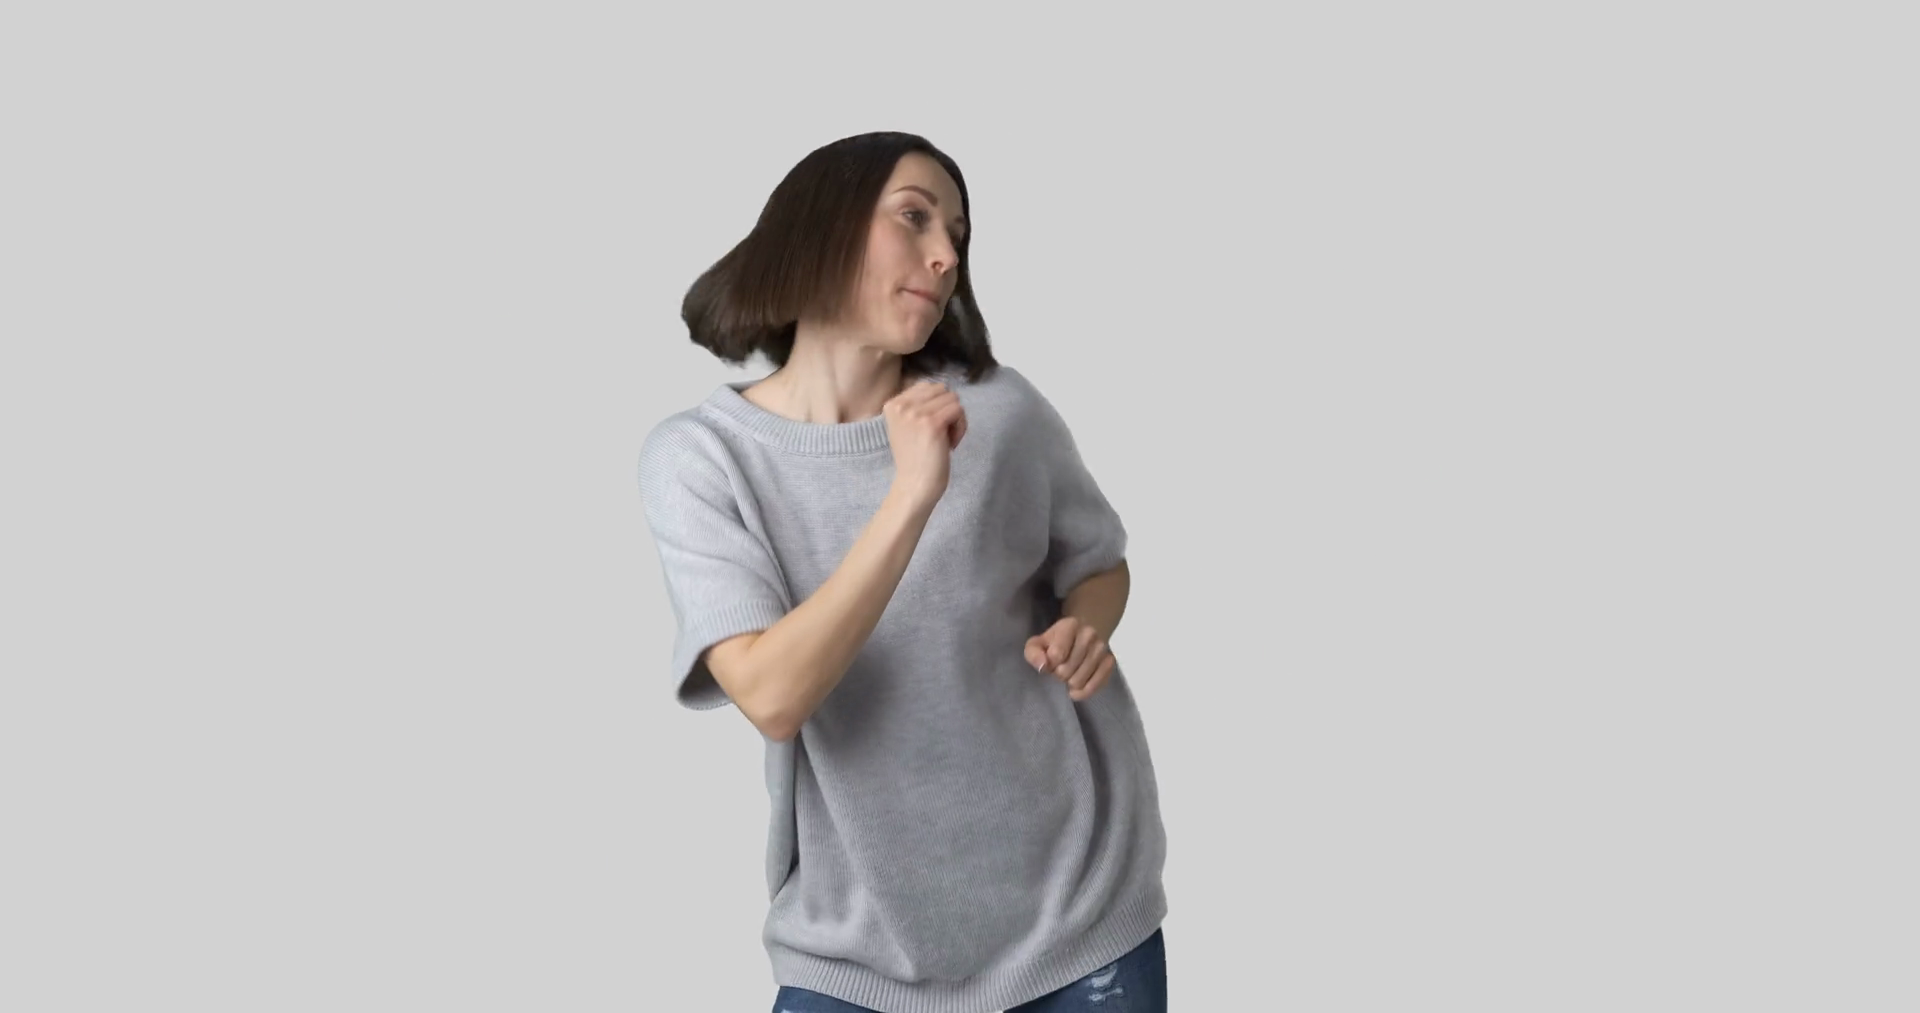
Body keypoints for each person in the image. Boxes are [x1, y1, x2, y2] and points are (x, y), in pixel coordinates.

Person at [636, 131, 1169, 1013]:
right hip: (855, 944)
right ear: (820, 224)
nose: (945, 255)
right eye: (914, 217)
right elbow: (772, 693)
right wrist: (911, 493)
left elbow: (1098, 562)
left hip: (1079, 914)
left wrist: (1087, 623)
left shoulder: (1000, 410)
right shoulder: (701, 459)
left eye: (957, 235)